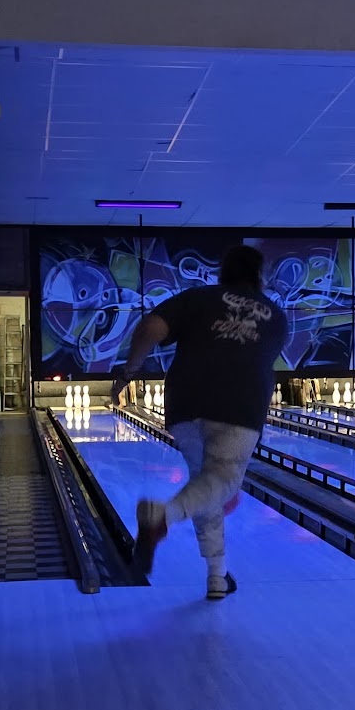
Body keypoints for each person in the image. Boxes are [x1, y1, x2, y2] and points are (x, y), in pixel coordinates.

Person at [109, 244, 289, 598]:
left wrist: (129, 372)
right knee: (222, 483)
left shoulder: (197, 297)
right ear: (260, 276)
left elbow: (149, 328)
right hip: (241, 407)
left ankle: (217, 577)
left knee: (205, 487)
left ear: (223, 273)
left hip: (185, 404)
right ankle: (162, 515)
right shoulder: (277, 316)